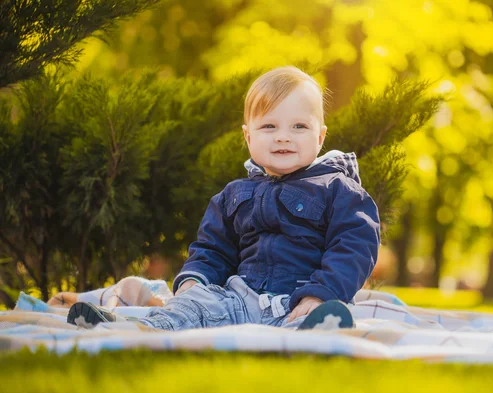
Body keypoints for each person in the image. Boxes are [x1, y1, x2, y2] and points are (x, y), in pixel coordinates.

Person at [67, 66, 380, 331]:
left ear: (320, 136)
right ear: (248, 136)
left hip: (299, 301)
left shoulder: (337, 188)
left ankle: (323, 326)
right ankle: (130, 329)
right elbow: (212, 248)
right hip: (238, 300)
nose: (283, 136)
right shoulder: (234, 195)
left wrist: (322, 294)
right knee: (194, 305)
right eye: (269, 126)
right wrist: (195, 281)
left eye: (299, 126)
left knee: (313, 323)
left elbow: (355, 245)